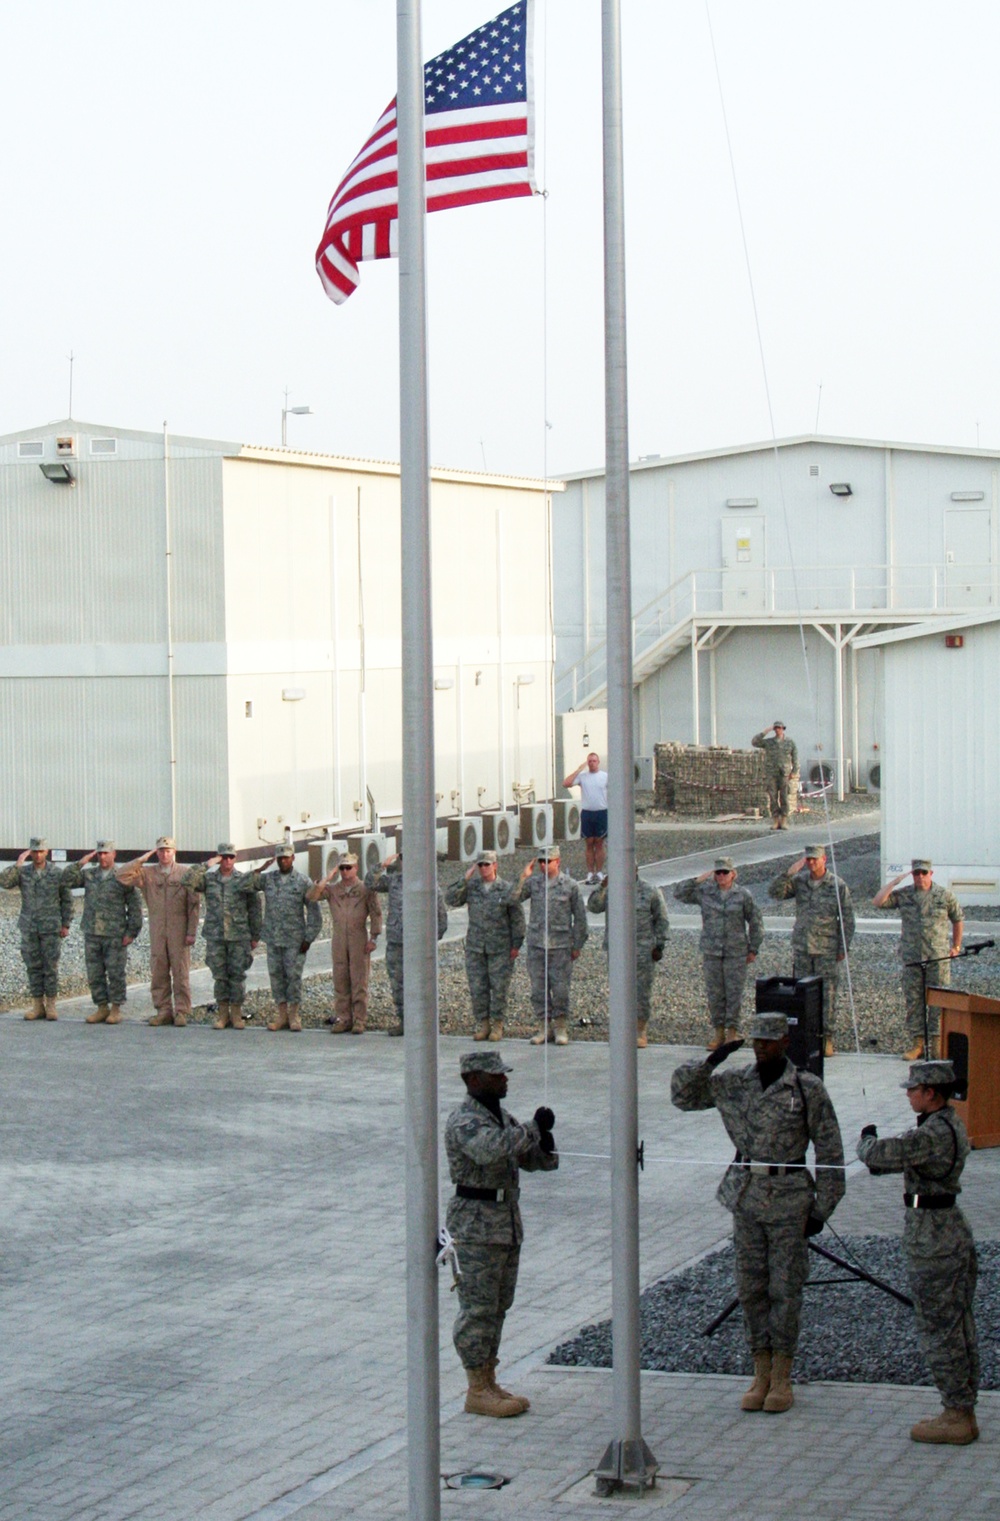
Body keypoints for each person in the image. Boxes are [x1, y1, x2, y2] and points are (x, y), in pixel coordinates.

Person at [671, 1012, 845, 1414]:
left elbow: (831, 1150)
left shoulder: (806, 1088)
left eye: (769, 1040)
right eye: (757, 1040)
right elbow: (682, 1096)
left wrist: (823, 1208)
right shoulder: (737, 1083)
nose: (762, 1046)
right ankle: (760, 1370)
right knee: (750, 1288)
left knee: (785, 1288)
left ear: (785, 1041)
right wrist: (712, 1059)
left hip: (789, 1199)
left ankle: (782, 1375)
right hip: (747, 1197)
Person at [857, 1060, 979, 1446]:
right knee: (958, 1323)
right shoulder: (946, 1125)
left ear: (931, 1093)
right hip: (948, 1228)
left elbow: (881, 1154)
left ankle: (956, 1412)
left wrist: (866, 1141)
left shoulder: (932, 1133)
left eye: (914, 1089)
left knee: (939, 1327)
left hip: (934, 1237)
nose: (908, 1094)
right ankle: (962, 1408)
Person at [444, 1049, 559, 1417]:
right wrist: (531, 1129)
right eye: (497, 1076)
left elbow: (531, 1159)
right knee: (477, 1308)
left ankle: (489, 1379)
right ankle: (476, 1387)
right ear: (474, 1080)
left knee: (498, 1307)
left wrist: (545, 1142)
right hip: (476, 1225)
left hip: (504, 1222)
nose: (505, 1079)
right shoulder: (465, 1121)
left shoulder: (500, 1116)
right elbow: (491, 1150)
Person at [872, 859, 963, 1061]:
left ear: (931, 873)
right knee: (914, 1001)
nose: (920, 877)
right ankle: (918, 1044)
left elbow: (957, 919)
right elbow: (878, 902)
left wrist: (956, 946)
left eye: (923, 873)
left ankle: (937, 1044)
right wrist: (893, 883)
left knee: (939, 1001)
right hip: (912, 957)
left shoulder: (943, 895)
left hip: (937, 958)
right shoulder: (905, 894)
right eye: (916, 873)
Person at [769, 844, 855, 1058]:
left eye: (815, 859)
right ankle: (805, 1037)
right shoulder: (799, 882)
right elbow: (775, 892)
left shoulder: (837, 885)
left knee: (827, 996)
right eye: (808, 859)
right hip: (803, 948)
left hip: (826, 948)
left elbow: (847, 918)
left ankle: (827, 1038)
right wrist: (790, 871)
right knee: (802, 994)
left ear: (824, 859)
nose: (812, 863)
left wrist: (843, 947)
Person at [674, 857, 764, 1050]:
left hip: (735, 952)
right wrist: (698, 879)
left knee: (734, 993)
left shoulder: (743, 895)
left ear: (733, 874)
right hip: (712, 951)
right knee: (715, 993)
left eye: (725, 872)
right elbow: (679, 893)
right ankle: (718, 1032)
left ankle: (732, 1031)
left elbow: (756, 921)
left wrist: (753, 948)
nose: (721, 876)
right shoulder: (705, 892)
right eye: (718, 873)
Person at [116, 836, 200, 1028]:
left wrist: (191, 931)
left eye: (168, 850)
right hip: (158, 929)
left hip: (179, 929)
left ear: (174, 852)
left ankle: (181, 1011)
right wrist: (142, 859)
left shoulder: (185, 873)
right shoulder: (148, 874)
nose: (164, 854)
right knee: (159, 971)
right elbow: (121, 876)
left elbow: (194, 905)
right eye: (161, 851)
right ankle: (163, 1010)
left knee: (181, 972)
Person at [445, 851, 525, 1043]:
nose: (483, 868)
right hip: (476, 947)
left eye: (487, 865)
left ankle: (497, 1024)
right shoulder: (472, 887)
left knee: (499, 988)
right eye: (480, 865)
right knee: (478, 988)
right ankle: (483, 1023)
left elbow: (517, 918)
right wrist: (465, 878)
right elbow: (451, 899)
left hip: (500, 947)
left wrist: (516, 944)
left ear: (495, 865)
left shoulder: (506, 889)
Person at [242, 844, 322, 1033]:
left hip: (295, 940)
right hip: (274, 939)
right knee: (276, 977)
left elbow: (314, 912)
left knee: (293, 977)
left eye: (286, 858)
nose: (283, 861)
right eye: (280, 858)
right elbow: (244, 884)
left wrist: (309, 938)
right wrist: (260, 868)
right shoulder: (269, 879)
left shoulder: (303, 881)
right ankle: (281, 1015)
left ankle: (294, 1015)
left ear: (293, 858)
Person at [365, 852, 448, 1036]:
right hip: (396, 942)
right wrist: (381, 865)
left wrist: (434, 938)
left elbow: (440, 912)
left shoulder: (427, 882)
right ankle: (404, 1021)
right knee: (398, 983)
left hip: (418, 943)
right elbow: (370, 883)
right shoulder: (394, 881)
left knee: (421, 983)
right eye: (402, 857)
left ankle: (424, 1023)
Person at [61, 842, 143, 1024]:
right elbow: (65, 880)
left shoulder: (122, 875)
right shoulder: (89, 875)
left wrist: (132, 931)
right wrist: (80, 863)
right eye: (99, 854)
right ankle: (101, 1007)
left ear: (114, 854)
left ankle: (116, 1008)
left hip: (115, 933)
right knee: (94, 972)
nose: (103, 857)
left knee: (115, 973)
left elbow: (135, 906)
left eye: (106, 853)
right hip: (92, 931)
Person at [514, 845, 588, 1046]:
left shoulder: (570, 885)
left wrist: (577, 944)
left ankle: (561, 1027)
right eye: (541, 861)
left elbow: (580, 917)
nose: (544, 865)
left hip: (560, 946)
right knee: (538, 989)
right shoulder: (534, 883)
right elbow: (513, 899)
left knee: (561, 988)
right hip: (537, 944)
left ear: (558, 862)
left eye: (548, 861)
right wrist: (523, 877)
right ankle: (543, 1027)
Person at [182, 846, 262, 1029]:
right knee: (219, 975)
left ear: (235, 859)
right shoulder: (209, 879)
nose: (227, 861)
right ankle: (222, 1014)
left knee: (237, 975)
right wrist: (206, 864)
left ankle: (236, 1014)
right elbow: (187, 882)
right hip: (216, 935)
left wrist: (255, 934)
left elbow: (255, 908)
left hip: (238, 935)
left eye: (230, 857)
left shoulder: (243, 880)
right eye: (223, 858)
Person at [587, 869, 669, 1047]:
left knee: (641, 991)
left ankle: (640, 1030)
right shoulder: (611, 890)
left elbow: (661, 919)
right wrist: (602, 886)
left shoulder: (650, 890)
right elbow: (593, 907)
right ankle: (621, 1031)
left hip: (642, 949)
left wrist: (659, 945)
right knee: (618, 991)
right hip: (617, 949)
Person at [0, 837, 74, 1021]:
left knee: (50, 967)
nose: (37, 854)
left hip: (51, 927)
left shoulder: (57, 873)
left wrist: (66, 924)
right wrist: (18, 864)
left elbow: (67, 899)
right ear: (30, 852)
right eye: (34, 851)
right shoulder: (23, 873)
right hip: (29, 926)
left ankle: (50, 1005)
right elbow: (5, 882)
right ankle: (36, 1005)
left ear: (46, 852)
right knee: (33, 966)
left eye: (41, 851)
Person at [308, 852, 382, 1034]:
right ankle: (343, 1018)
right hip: (339, 938)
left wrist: (374, 937)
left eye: (348, 867)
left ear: (356, 868)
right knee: (340, 979)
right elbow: (312, 896)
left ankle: (359, 1019)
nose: (345, 871)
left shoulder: (365, 889)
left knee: (359, 979)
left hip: (358, 937)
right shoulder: (333, 890)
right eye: (342, 868)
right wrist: (328, 878)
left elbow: (376, 913)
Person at [563, 751, 608, 883]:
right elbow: (566, 783)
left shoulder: (605, 776)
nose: (592, 763)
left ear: (598, 762)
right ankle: (590, 872)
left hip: (601, 812)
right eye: (590, 761)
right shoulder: (583, 776)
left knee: (599, 843)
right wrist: (579, 769)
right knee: (589, 843)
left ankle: (599, 872)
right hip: (587, 813)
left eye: (594, 761)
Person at [751, 722, 799, 831]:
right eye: (776, 728)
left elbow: (795, 757)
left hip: (784, 773)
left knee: (784, 797)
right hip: (771, 773)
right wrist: (765, 731)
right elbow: (754, 742)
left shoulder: (790, 742)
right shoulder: (769, 742)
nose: (778, 730)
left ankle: (784, 820)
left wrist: (794, 771)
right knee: (773, 798)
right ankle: (776, 820)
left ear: (783, 729)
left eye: (780, 728)